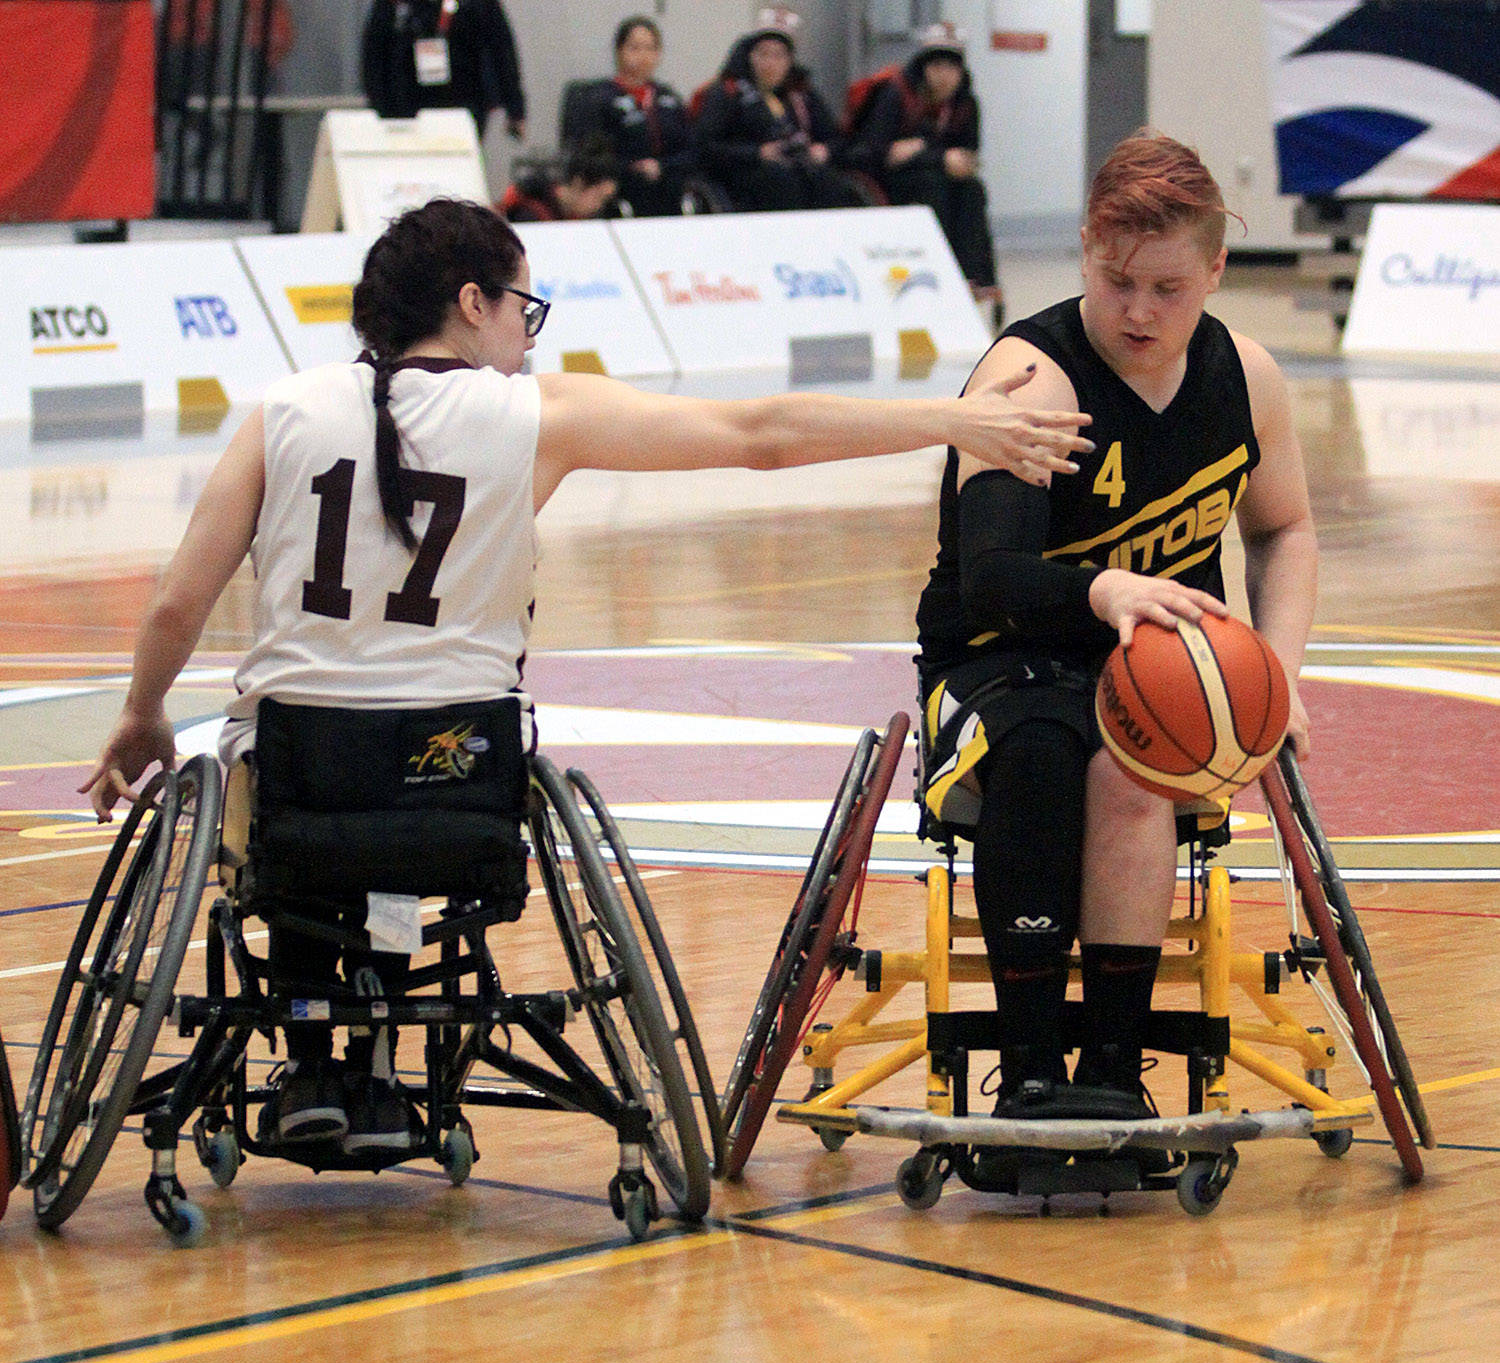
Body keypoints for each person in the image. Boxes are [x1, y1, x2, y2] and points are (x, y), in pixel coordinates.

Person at [82, 198, 1091, 1157]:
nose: (532, 335)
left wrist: (139, 713)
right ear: (473, 302)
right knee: (410, 795)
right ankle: (383, 1059)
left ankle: (309, 1058)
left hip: (300, 761)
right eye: (526, 308)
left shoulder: (282, 410)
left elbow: (177, 604)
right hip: (456, 764)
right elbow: (761, 437)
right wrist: (951, 421)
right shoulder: (535, 415)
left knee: (287, 805)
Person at [914, 131, 1317, 1140]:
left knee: (1136, 774)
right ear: (1086, 253)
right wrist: (1106, 592)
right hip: (1001, 648)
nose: (1139, 311)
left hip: (1155, 664)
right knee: (1046, 755)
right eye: (1116, 280)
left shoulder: (1248, 377)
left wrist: (1278, 667)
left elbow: (1286, 527)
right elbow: (996, 575)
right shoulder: (1030, 377)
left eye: (1169, 288)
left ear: (1217, 270)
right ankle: (1032, 1062)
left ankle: (1111, 1066)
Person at [844, 23, 996, 291]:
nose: (944, 76)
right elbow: (876, 151)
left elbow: (968, 150)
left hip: (938, 172)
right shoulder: (896, 94)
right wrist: (938, 158)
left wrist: (935, 155)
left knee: (972, 190)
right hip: (892, 178)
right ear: (923, 68)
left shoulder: (966, 104)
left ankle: (975, 274)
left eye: (951, 69)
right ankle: (938, 268)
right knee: (930, 185)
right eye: (936, 67)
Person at [693, 7, 858, 212]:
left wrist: (823, 150)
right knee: (780, 181)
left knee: (830, 182)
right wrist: (757, 153)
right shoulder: (728, 92)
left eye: (778, 56)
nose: (770, 63)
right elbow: (705, 146)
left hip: (800, 169)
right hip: (747, 175)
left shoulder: (801, 93)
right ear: (750, 56)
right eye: (763, 54)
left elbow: (836, 138)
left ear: (789, 61)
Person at [570, 17, 692, 218]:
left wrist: (663, 166)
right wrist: (631, 167)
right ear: (619, 51)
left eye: (650, 48)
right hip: (623, 188)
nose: (643, 56)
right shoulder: (601, 98)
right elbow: (589, 152)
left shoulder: (669, 98)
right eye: (635, 48)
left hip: (669, 186)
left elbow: (690, 148)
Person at [361, 0, 526, 143]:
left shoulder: (478, 5)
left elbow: (501, 49)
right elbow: (374, 53)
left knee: (459, 158)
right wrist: (379, 107)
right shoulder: (398, 5)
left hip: (465, 100)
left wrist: (515, 108)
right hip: (407, 102)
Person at [498, 144, 619, 222]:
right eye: (599, 197)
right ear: (579, 184)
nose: (598, 206)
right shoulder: (529, 212)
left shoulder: (582, 221)